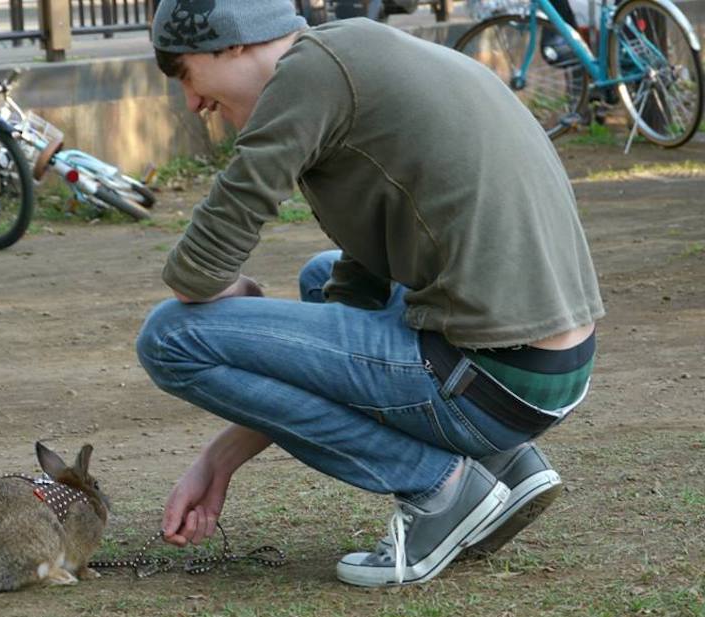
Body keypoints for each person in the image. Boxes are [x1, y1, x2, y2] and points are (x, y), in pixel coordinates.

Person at [136, 0, 604, 587]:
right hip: (545, 370)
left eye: (183, 74)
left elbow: (198, 269)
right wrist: (219, 459)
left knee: (170, 339)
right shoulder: (354, 55)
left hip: (488, 379)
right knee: (323, 275)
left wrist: (232, 292)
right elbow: (350, 302)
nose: (192, 103)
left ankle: (442, 490)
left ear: (229, 42)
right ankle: (502, 465)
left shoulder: (305, 79)